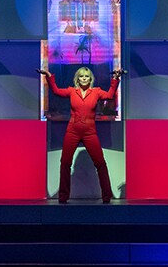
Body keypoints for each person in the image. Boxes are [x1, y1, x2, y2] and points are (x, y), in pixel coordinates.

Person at [38, 66, 123, 203]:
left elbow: (109, 95)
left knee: (100, 163)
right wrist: (48, 76)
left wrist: (115, 79)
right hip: (73, 130)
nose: (84, 79)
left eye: (87, 76)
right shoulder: (72, 91)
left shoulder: (96, 92)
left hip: (90, 132)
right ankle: (63, 197)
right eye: (81, 76)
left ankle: (107, 196)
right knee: (65, 163)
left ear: (90, 79)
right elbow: (56, 91)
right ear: (77, 79)